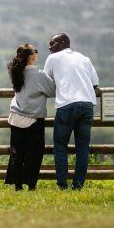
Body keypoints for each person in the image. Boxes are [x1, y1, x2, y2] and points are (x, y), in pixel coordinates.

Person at [44, 33, 99, 190]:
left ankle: (62, 185)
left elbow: (47, 84)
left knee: (60, 146)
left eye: (52, 43)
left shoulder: (53, 59)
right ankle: (78, 185)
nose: (49, 47)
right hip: (87, 104)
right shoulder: (84, 58)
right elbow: (95, 83)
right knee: (83, 147)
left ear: (62, 43)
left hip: (66, 104)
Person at [5, 43, 55, 191]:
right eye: (35, 51)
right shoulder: (39, 75)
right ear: (31, 56)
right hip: (34, 119)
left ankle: (17, 185)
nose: (37, 53)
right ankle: (31, 185)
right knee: (34, 154)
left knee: (17, 153)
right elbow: (52, 91)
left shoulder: (16, 72)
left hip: (15, 118)